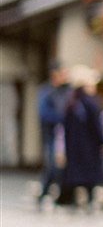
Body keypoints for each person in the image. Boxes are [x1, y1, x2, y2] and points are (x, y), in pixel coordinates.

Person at [59, 69, 103, 212]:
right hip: (90, 147)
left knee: (75, 174)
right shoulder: (91, 103)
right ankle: (90, 201)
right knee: (90, 176)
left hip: (74, 147)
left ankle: (74, 201)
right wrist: (102, 142)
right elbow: (97, 126)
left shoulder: (71, 103)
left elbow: (65, 128)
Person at [33, 65, 67, 209]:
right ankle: (45, 193)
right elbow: (44, 113)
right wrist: (62, 118)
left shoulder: (64, 91)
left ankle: (60, 195)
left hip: (63, 135)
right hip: (51, 134)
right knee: (53, 165)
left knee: (61, 166)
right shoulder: (47, 92)